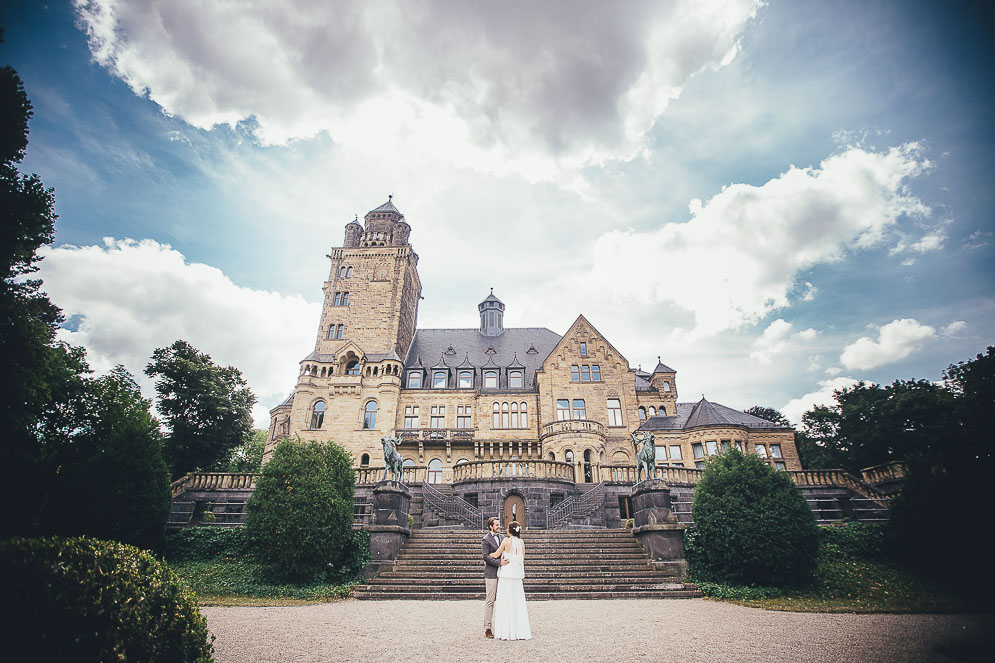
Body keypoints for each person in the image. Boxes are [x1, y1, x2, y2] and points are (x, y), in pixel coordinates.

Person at [489, 521, 532, 640]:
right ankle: (519, 631)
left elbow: (496, 554)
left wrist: (488, 555)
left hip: (506, 575)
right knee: (517, 602)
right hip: (517, 576)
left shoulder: (506, 541)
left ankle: (506, 631)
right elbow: (521, 558)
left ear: (509, 531)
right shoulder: (521, 542)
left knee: (505, 602)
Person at [482, 516, 508, 639]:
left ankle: (503, 626)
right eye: (497, 525)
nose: (499, 526)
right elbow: (485, 557)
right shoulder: (485, 539)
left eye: (499, 524)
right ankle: (488, 628)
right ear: (491, 526)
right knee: (490, 601)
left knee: (503, 600)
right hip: (491, 573)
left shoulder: (503, 538)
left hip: (503, 573)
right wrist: (499, 563)